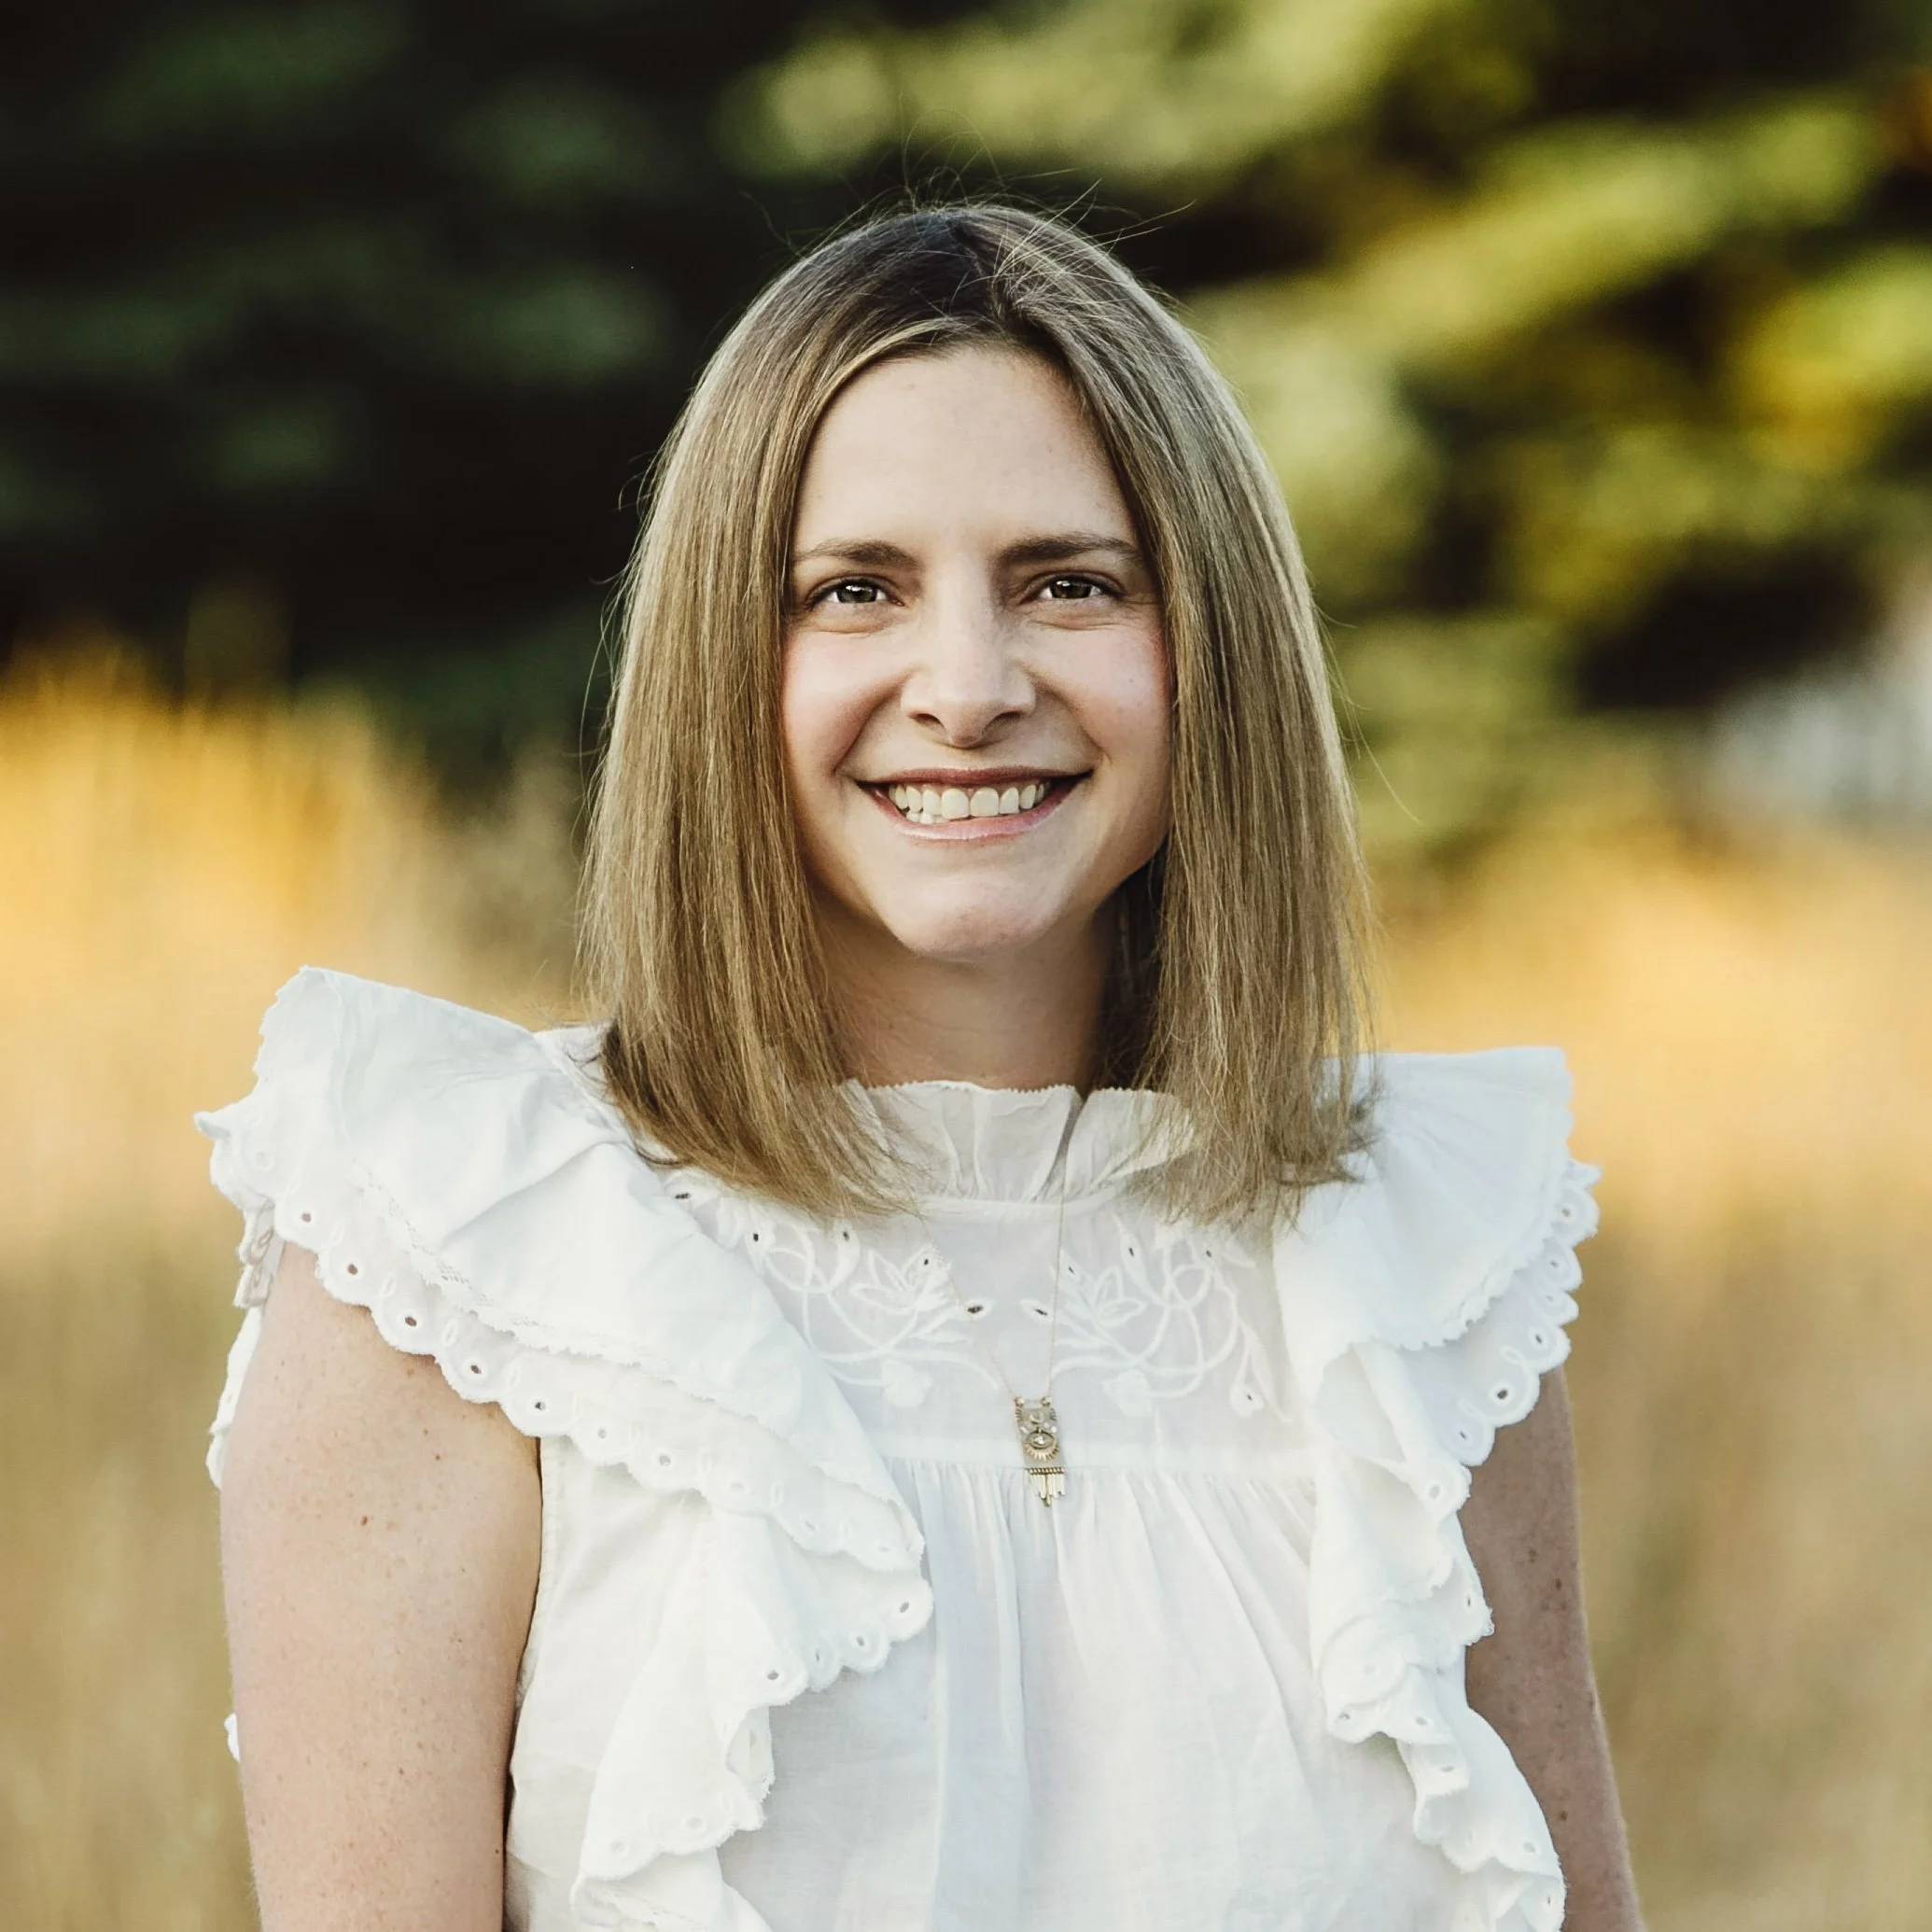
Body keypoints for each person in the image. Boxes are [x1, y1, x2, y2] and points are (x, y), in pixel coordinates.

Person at [203, 204, 1643, 1932]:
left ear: (1214, 650)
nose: (965, 687)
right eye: (852, 591)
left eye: (1070, 583)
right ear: (723, 661)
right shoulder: (460, 1245)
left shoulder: (1414, 1256)